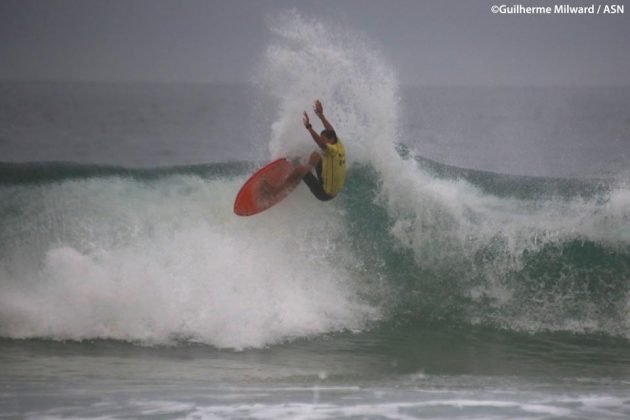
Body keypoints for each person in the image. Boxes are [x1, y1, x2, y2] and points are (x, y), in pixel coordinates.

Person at [289, 99, 346, 201]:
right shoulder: (337, 143)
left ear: (330, 139)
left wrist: (308, 127)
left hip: (324, 193)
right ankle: (304, 171)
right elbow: (331, 130)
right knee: (316, 155)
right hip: (329, 185)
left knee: (300, 169)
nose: (322, 142)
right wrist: (321, 115)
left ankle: (274, 190)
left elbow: (320, 143)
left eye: (323, 139)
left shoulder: (331, 150)